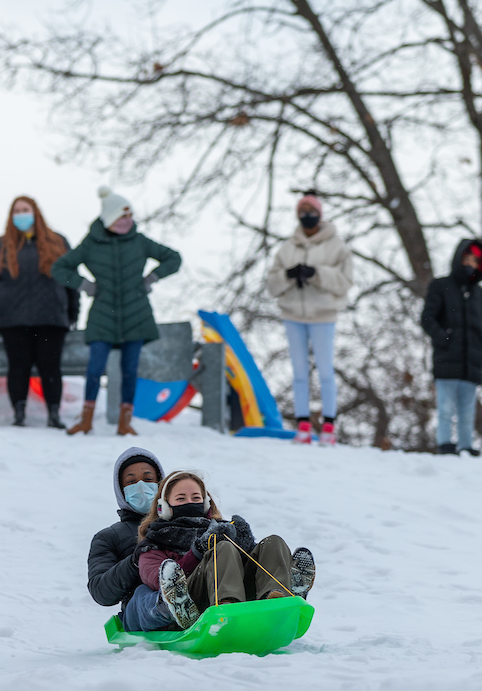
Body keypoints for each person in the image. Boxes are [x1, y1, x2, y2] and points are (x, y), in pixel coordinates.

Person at [51, 187, 181, 437]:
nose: (127, 221)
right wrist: (85, 285)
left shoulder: (140, 241)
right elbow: (60, 268)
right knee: (94, 368)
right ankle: (86, 420)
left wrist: (152, 277)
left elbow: (173, 258)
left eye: (129, 216)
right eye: (121, 217)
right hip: (103, 315)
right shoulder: (91, 244)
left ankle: (125, 422)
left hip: (136, 314)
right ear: (109, 219)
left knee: (130, 370)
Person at [129, 470, 315, 631]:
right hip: (195, 602)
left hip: (244, 596)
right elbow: (158, 580)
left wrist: (245, 544)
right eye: (180, 498)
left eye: (196, 498)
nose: (189, 502)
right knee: (223, 549)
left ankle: (279, 602)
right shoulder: (153, 543)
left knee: (273, 542)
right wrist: (197, 553)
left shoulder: (221, 530)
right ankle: (227, 609)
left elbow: (245, 569)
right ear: (164, 508)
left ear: (205, 503)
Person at [265, 193, 354, 445]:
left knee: (325, 370)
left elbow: (345, 282)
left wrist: (317, 273)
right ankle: (302, 425)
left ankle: (329, 426)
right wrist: (288, 275)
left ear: (320, 214)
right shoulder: (287, 248)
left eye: (310, 210)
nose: (307, 215)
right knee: (299, 372)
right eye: (302, 210)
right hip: (293, 315)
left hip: (324, 316)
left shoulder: (337, 247)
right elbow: (272, 286)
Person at [0, 196, 78, 428]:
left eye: (25, 210)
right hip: (12, 319)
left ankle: (54, 414)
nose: (21, 214)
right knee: (18, 366)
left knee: (50, 366)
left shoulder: (58, 242)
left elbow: (71, 279)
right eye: (17, 210)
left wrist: (72, 312)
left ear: (35, 212)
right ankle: (19, 413)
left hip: (51, 317)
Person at [420, 239, 482, 456]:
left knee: (467, 410)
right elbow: (427, 318)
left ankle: (466, 445)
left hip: (472, 361)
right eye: (467, 259)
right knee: (445, 407)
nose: (470, 264)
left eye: (475, 261)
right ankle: (445, 444)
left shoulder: (480, 293)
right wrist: (445, 339)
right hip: (447, 359)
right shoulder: (440, 286)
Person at [87, 447, 167, 629]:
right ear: (121, 490)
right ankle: (166, 607)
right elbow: (101, 592)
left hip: (191, 595)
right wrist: (134, 561)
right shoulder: (108, 537)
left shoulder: (181, 523)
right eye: (131, 482)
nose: (140, 486)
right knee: (142, 592)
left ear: (161, 484)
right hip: (140, 612)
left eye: (148, 480)